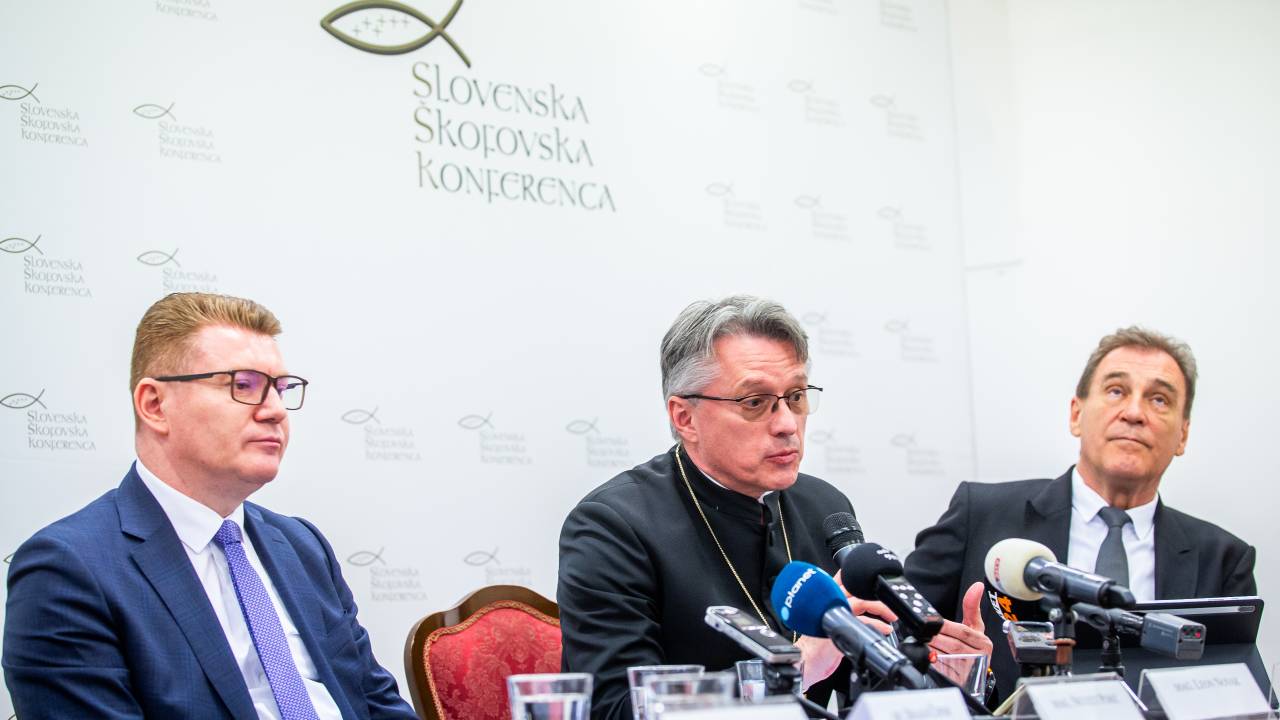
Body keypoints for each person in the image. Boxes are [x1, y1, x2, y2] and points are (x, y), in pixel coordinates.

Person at [557, 296, 990, 720]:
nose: (786, 424)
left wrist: (941, 677)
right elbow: (615, 707)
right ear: (684, 418)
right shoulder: (612, 527)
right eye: (754, 402)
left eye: (796, 396)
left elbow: (859, 695)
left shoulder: (824, 507)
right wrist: (795, 668)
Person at [3, 292, 417, 720]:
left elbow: (375, 701)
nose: (276, 411)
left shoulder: (301, 545)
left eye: (280, 389)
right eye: (243, 385)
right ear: (154, 405)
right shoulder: (69, 569)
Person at [905, 326, 1257, 697]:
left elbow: (1239, 696)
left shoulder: (1223, 560)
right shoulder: (981, 514)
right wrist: (968, 674)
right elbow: (892, 646)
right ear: (1076, 414)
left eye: (1158, 399)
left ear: (1183, 434)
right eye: (1116, 391)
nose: (1134, 413)